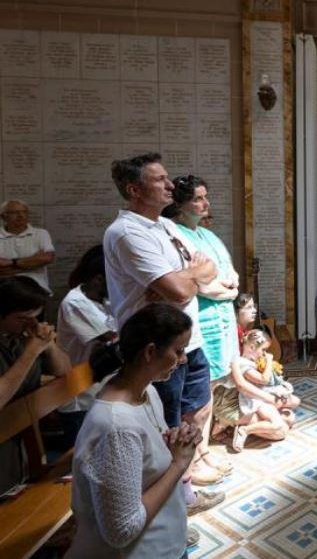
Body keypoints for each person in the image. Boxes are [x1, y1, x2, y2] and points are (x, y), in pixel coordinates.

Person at [103, 152, 224, 512]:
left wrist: (185, 278)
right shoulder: (125, 232)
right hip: (154, 346)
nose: (170, 185)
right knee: (163, 424)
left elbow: (208, 268)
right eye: (160, 180)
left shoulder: (167, 226)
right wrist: (186, 279)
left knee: (196, 411)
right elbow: (180, 290)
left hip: (189, 338)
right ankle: (168, 504)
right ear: (133, 189)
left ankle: (184, 487)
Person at [67, 303, 201, 559]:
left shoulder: (146, 392)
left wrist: (172, 444)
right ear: (151, 352)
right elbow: (122, 530)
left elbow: (143, 467)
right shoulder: (116, 427)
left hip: (165, 543)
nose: (183, 359)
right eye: (179, 350)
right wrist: (178, 464)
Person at [164, 175, 238, 477]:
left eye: (205, 197)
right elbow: (199, 282)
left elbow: (226, 268)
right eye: (198, 198)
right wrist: (224, 289)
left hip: (222, 316)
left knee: (208, 392)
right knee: (197, 395)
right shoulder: (177, 234)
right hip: (200, 320)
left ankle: (204, 451)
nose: (205, 203)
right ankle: (194, 458)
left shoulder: (207, 235)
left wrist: (229, 284)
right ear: (180, 204)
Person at [0, 277, 71, 496]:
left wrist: (48, 346)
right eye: (22, 318)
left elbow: (65, 371)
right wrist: (31, 351)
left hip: (19, 436)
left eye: (35, 317)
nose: (31, 325)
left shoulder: (21, 338)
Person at [56, 245, 118, 449]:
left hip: (99, 384)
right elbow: (112, 338)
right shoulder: (75, 302)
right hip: (79, 388)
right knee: (81, 452)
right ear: (99, 279)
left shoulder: (104, 299)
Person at [222, 330, 295, 453]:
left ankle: (244, 429)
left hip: (256, 399)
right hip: (249, 401)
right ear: (251, 347)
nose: (264, 353)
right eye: (263, 350)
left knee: (289, 418)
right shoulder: (242, 363)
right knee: (280, 428)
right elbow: (264, 379)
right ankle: (244, 430)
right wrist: (269, 361)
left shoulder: (250, 362)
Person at [0, 200, 55, 294]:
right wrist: (33, 264)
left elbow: (47, 258)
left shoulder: (41, 233)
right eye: (14, 212)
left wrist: (10, 263)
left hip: (37, 289)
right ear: (3, 216)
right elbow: (40, 261)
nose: (21, 216)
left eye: (24, 212)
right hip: (4, 290)